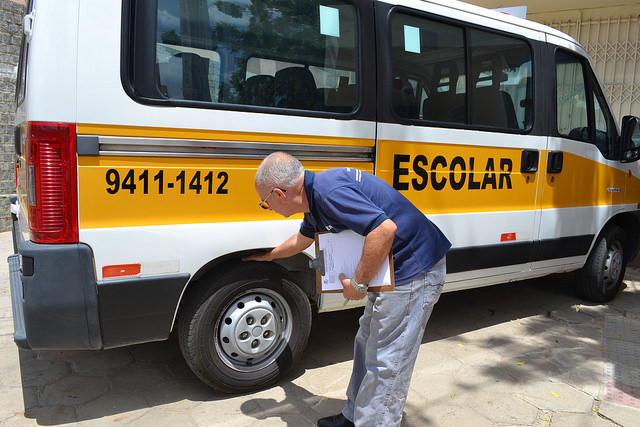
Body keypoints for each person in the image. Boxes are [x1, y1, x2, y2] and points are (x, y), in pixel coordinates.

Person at [244, 152, 451, 427]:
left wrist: (357, 284)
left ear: (280, 193)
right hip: (389, 270)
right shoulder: (315, 197)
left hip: (413, 270)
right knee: (366, 346)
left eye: (264, 201)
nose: (266, 206)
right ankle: (354, 416)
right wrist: (270, 255)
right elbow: (303, 239)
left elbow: (384, 230)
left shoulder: (329, 193)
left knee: (388, 360)